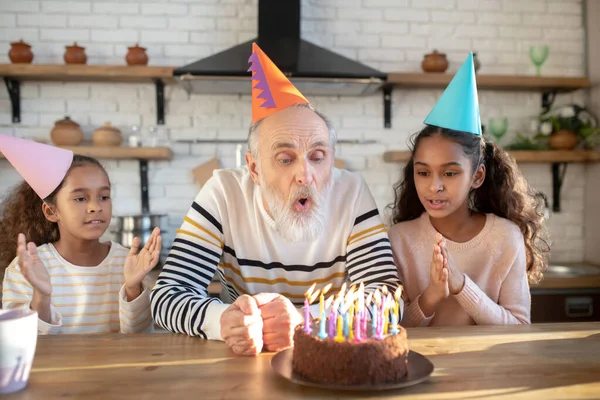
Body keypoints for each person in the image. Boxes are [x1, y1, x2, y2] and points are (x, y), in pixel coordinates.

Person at [151, 43, 401, 355]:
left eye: (318, 156)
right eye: (285, 159)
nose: (305, 175)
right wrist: (222, 321)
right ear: (253, 167)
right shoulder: (223, 193)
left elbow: (388, 298)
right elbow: (166, 295)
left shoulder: (351, 192)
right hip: (243, 356)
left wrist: (303, 322)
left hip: (330, 354)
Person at [388, 53, 549, 327]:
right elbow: (392, 331)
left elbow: (519, 328)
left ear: (477, 176)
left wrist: (462, 285)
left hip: (488, 369)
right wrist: (431, 296)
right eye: (423, 172)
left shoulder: (505, 237)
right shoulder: (399, 240)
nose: (434, 186)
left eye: (450, 173)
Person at [0, 135, 161, 334]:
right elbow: (20, 343)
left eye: (104, 197)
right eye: (80, 198)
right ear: (51, 211)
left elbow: (141, 342)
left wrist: (133, 289)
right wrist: (41, 296)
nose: (95, 207)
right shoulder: (25, 269)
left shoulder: (127, 263)